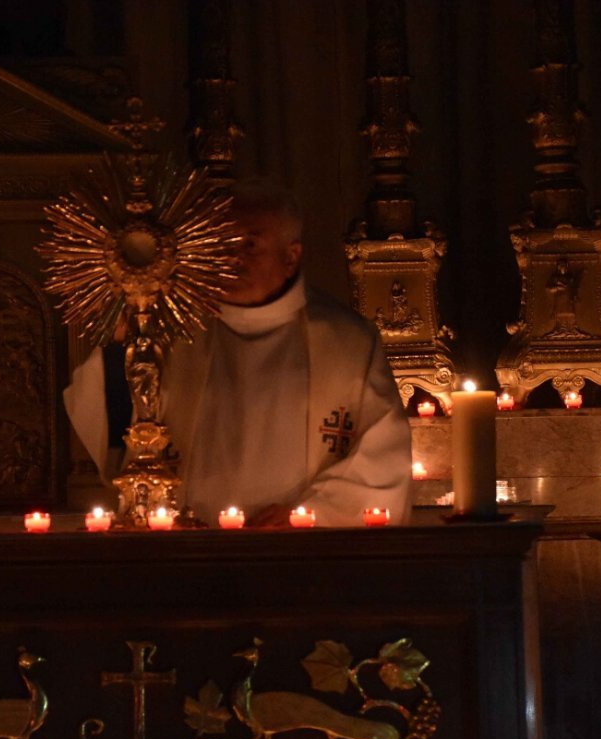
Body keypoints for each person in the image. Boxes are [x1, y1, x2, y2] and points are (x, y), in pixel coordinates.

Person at [64, 179, 412, 527]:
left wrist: (311, 515)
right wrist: (117, 342)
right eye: (223, 244)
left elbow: (385, 456)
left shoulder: (348, 340)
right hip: (186, 545)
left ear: (291, 256)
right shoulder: (168, 330)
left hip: (295, 549)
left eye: (250, 244)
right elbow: (111, 418)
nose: (233, 259)